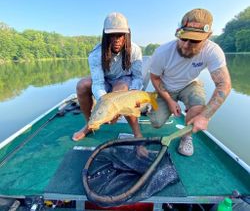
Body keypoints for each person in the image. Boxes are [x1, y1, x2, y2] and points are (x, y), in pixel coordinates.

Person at [148, 8, 232, 156]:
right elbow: (154, 77)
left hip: (190, 84)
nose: (186, 45)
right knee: (156, 122)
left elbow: (224, 84)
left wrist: (205, 116)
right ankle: (150, 104)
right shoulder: (162, 52)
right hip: (166, 87)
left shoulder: (213, 51)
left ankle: (186, 137)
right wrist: (169, 100)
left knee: (198, 107)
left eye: (194, 41)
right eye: (183, 38)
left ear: (208, 36)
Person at [72, 12, 143, 141]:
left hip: (123, 80)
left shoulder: (135, 50)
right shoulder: (96, 54)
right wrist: (106, 106)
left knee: (121, 89)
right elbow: (98, 83)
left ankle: (137, 134)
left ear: (127, 35)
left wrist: (132, 95)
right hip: (105, 80)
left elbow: (138, 77)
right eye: (112, 35)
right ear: (105, 36)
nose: (116, 39)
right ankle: (90, 124)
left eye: (120, 35)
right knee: (82, 85)